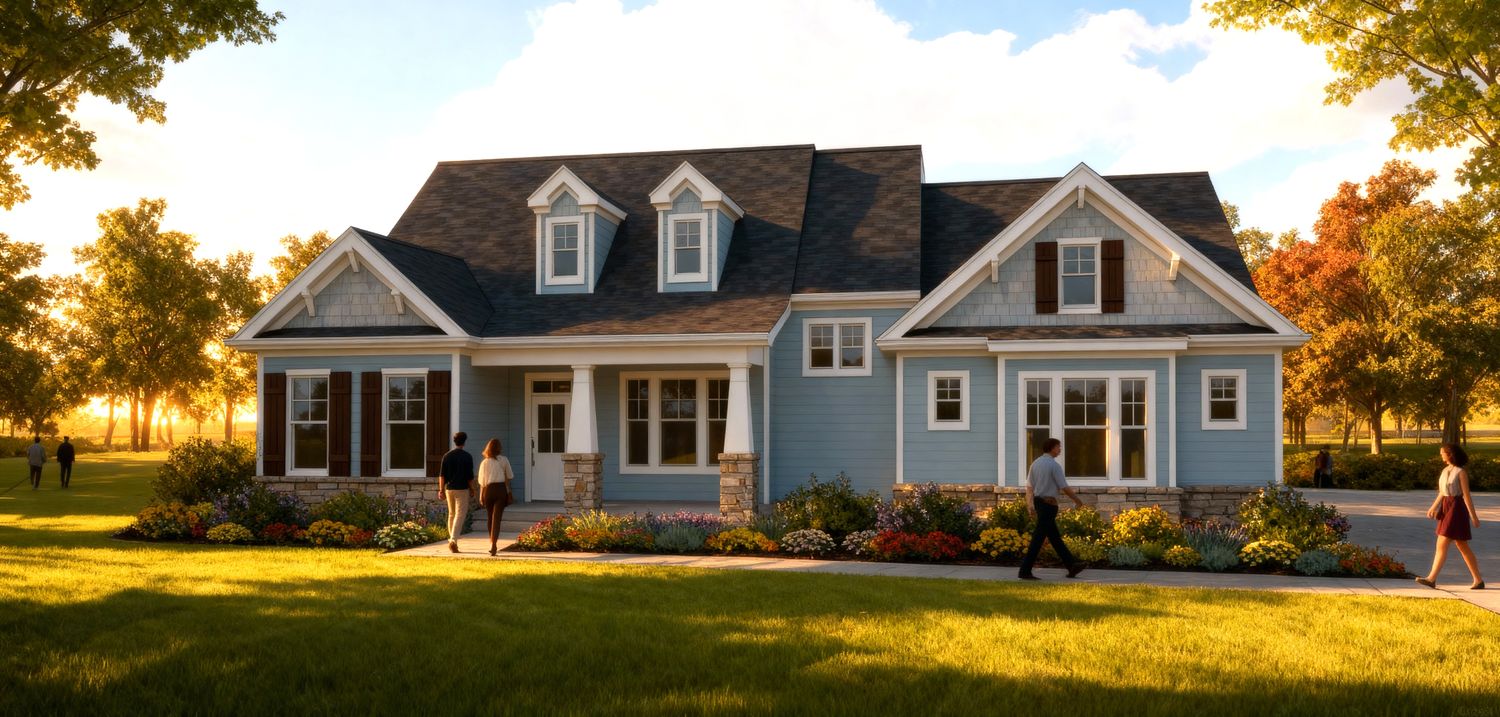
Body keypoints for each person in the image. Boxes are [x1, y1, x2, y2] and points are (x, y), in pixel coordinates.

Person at [1416, 443, 1484, 590]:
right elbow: (1442, 492)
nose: (1441, 455)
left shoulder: (1461, 472)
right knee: (1462, 545)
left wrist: (1473, 516)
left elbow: (1466, 496)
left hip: (1457, 508)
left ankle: (1431, 578)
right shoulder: (1445, 470)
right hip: (1446, 507)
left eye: (1443, 453)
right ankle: (1478, 580)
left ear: (1450, 454)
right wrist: (1433, 507)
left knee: (1442, 542)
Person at [1018, 437, 1087, 580]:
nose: (1060, 449)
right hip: (1049, 506)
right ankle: (1024, 571)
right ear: (1052, 448)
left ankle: (1072, 565)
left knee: (1055, 538)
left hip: (1038, 503)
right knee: (1038, 538)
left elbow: (1029, 487)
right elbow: (1064, 487)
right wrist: (1077, 500)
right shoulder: (1054, 466)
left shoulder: (1035, 464)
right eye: (1058, 447)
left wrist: (1029, 505)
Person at [437, 431, 476, 553]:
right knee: (460, 515)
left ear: (454, 441)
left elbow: (442, 476)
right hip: (462, 489)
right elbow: (470, 477)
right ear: (464, 441)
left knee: (451, 514)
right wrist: (473, 489)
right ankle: (453, 540)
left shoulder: (447, 456)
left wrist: (441, 490)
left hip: (449, 489)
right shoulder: (467, 456)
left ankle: (452, 541)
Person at [476, 438, 516, 556]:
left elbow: (481, 482)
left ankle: (491, 542)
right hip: (500, 490)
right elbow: (509, 477)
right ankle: (494, 543)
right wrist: (509, 492)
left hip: (488, 490)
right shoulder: (504, 460)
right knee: (496, 518)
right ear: (499, 448)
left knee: (490, 517)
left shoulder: (484, 463)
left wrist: (481, 496)